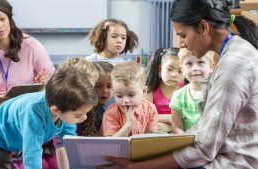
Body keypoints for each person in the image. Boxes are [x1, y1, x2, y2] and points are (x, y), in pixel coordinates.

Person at [100, 0, 258, 168]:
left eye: (182, 35)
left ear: (203, 28)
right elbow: (205, 131)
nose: (182, 44)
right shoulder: (237, 51)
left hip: (234, 163)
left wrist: (135, 167)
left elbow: (204, 149)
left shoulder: (233, 65)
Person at [0, 68, 98, 169]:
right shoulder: (34, 113)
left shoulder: (64, 109)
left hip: (5, 146)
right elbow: (32, 155)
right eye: (79, 115)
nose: (84, 118)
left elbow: (66, 146)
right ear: (55, 110)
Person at [12, 57, 100, 169]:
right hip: (26, 147)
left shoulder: (80, 106)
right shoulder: (58, 106)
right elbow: (32, 151)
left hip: (51, 148)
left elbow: (66, 143)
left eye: (89, 88)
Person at [102, 61, 159, 137]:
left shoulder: (150, 109)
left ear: (144, 92)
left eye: (131, 95)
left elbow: (151, 137)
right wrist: (128, 124)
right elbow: (111, 144)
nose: (125, 101)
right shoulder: (111, 113)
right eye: (119, 96)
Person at [170, 49, 215, 134]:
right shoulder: (178, 96)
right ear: (182, 69)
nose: (195, 68)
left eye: (200, 62)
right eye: (189, 64)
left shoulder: (218, 93)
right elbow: (177, 127)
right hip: (188, 143)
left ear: (211, 67)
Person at [145, 47, 185, 132]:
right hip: (156, 134)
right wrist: (169, 118)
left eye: (180, 71)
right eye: (169, 69)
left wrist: (171, 126)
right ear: (160, 68)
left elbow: (189, 117)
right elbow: (145, 115)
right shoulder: (151, 89)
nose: (174, 74)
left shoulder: (186, 90)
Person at [78, 61, 114, 136]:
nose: (105, 91)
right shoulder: (80, 107)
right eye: (98, 86)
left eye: (109, 86)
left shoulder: (116, 105)